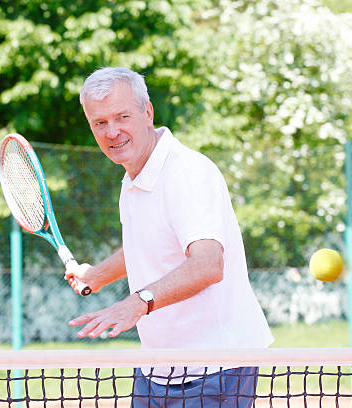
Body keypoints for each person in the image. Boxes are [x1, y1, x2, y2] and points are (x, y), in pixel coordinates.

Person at [65, 67, 273, 407]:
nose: (112, 132)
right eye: (99, 123)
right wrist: (97, 275)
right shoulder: (132, 177)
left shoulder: (187, 172)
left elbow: (208, 264)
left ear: (147, 113)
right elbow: (147, 245)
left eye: (122, 117)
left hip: (216, 366)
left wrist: (136, 303)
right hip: (157, 368)